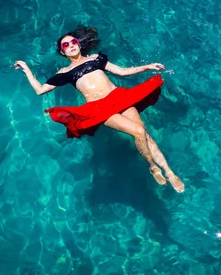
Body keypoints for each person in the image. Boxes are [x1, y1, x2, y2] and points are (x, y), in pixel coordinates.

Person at [14, 26, 184, 193]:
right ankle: (152, 166)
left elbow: (122, 72)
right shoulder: (64, 72)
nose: (71, 45)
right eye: (66, 45)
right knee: (138, 131)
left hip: (119, 97)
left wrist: (146, 67)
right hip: (99, 108)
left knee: (145, 134)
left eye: (73, 41)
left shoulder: (96, 58)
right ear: (62, 52)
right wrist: (27, 70)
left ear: (79, 44)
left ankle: (169, 171)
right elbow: (40, 90)